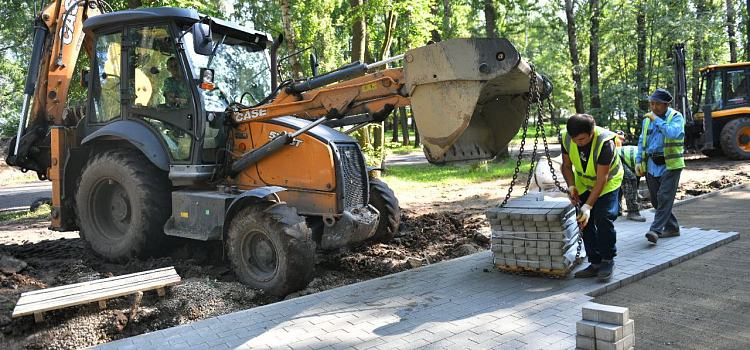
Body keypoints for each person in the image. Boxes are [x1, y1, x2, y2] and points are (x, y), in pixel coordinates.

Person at [561, 114, 623, 281]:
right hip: (583, 183)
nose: (577, 142)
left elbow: (602, 178)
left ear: (592, 132)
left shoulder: (605, 143)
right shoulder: (567, 138)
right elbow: (566, 166)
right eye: (574, 139)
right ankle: (595, 262)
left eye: (581, 139)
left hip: (608, 184)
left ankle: (608, 260)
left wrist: (588, 206)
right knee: (583, 220)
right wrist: (571, 186)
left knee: (603, 218)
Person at [637, 89, 685, 244]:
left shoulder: (676, 117)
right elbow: (642, 141)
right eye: (652, 103)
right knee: (657, 201)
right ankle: (672, 227)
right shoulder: (647, 120)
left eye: (657, 103)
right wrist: (639, 161)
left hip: (670, 165)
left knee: (664, 197)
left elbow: (672, 133)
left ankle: (655, 230)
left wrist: (656, 119)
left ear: (667, 104)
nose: (654, 106)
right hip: (651, 165)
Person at [616, 136, 646, 222]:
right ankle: (633, 212)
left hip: (621, 158)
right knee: (630, 180)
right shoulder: (649, 162)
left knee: (624, 183)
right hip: (617, 157)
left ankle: (617, 210)